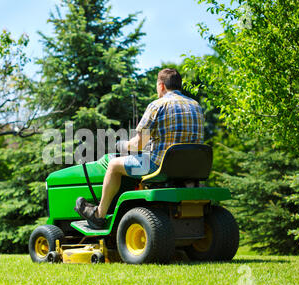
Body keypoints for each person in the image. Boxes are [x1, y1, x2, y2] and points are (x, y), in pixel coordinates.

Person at [74, 68, 205, 229]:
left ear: (161, 85)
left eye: (157, 85)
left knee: (114, 165)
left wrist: (121, 145)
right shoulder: (196, 105)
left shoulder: (158, 105)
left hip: (160, 167)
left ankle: (99, 214)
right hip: (192, 168)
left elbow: (138, 145)